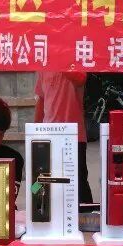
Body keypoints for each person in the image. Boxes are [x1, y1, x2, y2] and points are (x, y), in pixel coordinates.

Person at [34, 71, 92, 203]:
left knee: (78, 180)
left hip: (73, 136)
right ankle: (39, 208)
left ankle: (87, 212)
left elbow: (80, 79)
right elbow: (41, 99)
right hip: (48, 134)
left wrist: (62, 62)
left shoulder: (75, 63)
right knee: (41, 178)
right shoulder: (44, 67)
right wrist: (34, 132)